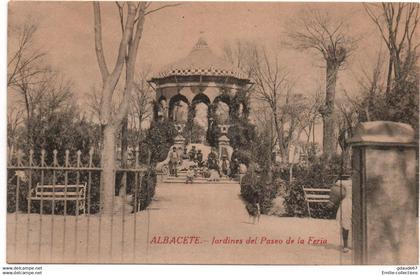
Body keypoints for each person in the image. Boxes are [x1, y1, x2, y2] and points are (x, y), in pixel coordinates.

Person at [328, 178, 352, 253]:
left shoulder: (346, 182)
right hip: (352, 204)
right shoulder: (349, 182)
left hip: (349, 204)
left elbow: (335, 183)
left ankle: (346, 246)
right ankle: (346, 246)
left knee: (346, 224)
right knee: (346, 224)